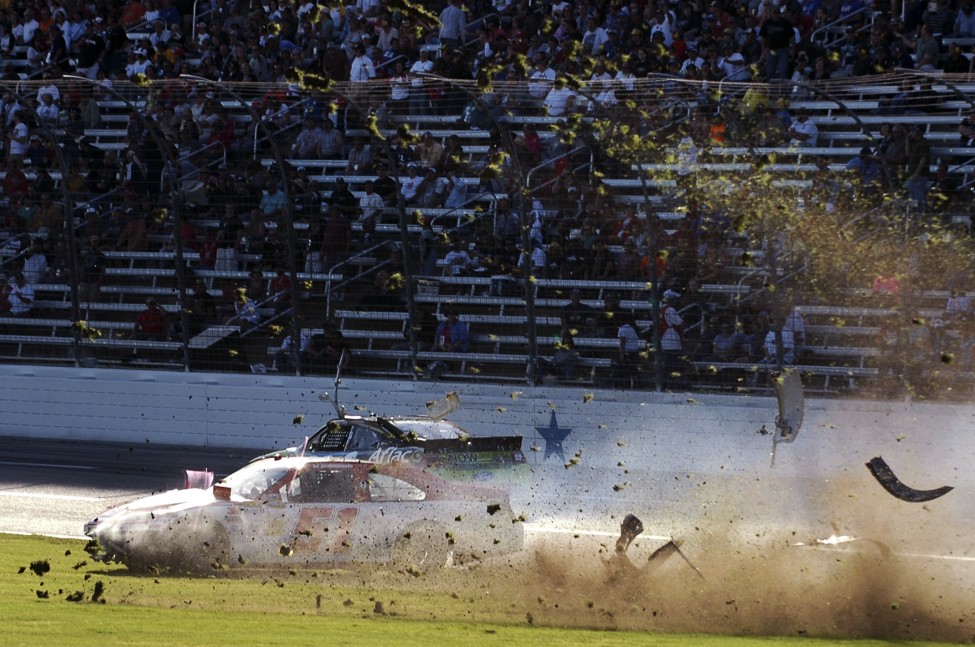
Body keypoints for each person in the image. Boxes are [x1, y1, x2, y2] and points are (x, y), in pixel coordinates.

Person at [426, 308, 469, 380]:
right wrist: (436, 344)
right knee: (434, 350)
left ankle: (445, 369)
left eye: (453, 314)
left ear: (456, 315)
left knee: (451, 352)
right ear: (447, 315)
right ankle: (435, 367)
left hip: (457, 347)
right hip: (443, 346)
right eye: (449, 314)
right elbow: (437, 335)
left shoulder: (461, 325)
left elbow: (463, 338)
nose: (451, 316)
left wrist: (452, 346)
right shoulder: (442, 325)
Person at [79, 236, 106, 303]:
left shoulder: (101, 256)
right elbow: (82, 267)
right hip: (84, 280)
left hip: (94, 281)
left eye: (96, 242)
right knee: (82, 299)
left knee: (93, 300)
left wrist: (99, 281)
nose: (94, 244)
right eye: (93, 242)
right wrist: (81, 277)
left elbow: (103, 269)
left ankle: (91, 313)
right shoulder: (85, 255)